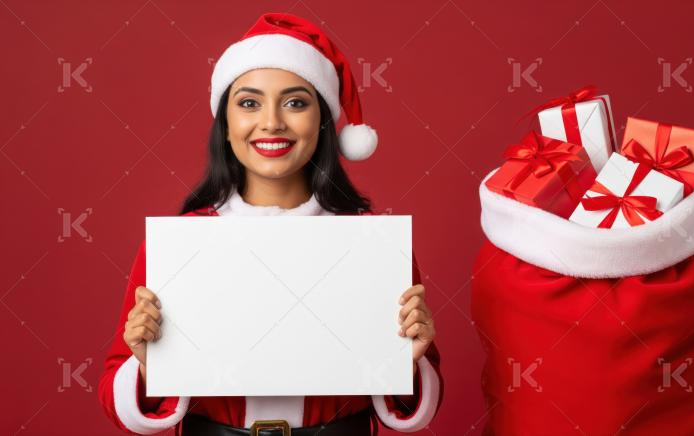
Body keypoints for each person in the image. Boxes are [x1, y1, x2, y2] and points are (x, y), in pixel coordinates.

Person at [98, 12, 443, 435]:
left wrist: (410, 359)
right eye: (249, 103)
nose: (272, 122)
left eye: (296, 102)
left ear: (323, 121)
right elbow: (115, 395)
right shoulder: (179, 243)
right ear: (226, 125)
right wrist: (147, 364)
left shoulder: (372, 240)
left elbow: (417, 399)